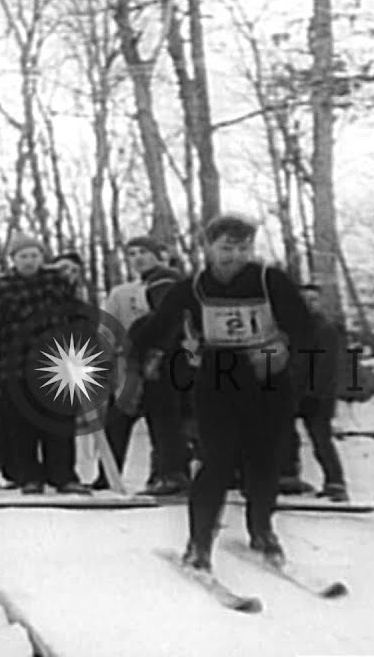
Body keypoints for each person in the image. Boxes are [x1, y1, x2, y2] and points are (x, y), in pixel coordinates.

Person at [133, 214, 315, 572]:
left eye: (243, 247)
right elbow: (160, 325)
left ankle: (261, 528)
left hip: (266, 376)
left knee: (264, 458)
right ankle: (199, 543)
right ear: (208, 249)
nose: (235, 256)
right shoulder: (194, 286)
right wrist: (137, 353)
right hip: (218, 375)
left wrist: (283, 347)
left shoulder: (269, 280)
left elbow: (305, 328)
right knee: (216, 461)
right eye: (226, 248)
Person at [0, 234, 90, 495]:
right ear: (13, 259)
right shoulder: (0, 287)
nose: (29, 261)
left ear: (42, 257)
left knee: (59, 422)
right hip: (15, 363)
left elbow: (77, 314)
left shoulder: (56, 283)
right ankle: (29, 476)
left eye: (34, 255)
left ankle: (63, 475)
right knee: (21, 423)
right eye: (23, 256)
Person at [127, 247, 192, 496]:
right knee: (166, 425)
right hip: (160, 379)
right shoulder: (145, 323)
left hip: (179, 377)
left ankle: (174, 472)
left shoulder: (187, 322)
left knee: (175, 424)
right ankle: (166, 472)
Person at [281, 284, 348, 501]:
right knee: (286, 434)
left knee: (321, 438)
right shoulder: (291, 328)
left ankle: (335, 481)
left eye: (313, 300)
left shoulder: (325, 329)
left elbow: (327, 366)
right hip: (293, 392)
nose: (309, 304)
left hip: (319, 395)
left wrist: (316, 392)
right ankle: (288, 476)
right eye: (304, 300)